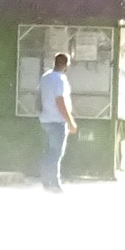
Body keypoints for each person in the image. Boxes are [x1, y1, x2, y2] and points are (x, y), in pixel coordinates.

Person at [37, 52, 78, 192]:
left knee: (48, 152)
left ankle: (46, 182)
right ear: (66, 64)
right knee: (56, 154)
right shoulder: (60, 79)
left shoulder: (45, 77)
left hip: (45, 119)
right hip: (57, 121)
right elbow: (60, 101)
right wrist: (70, 121)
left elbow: (38, 97)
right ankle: (55, 183)